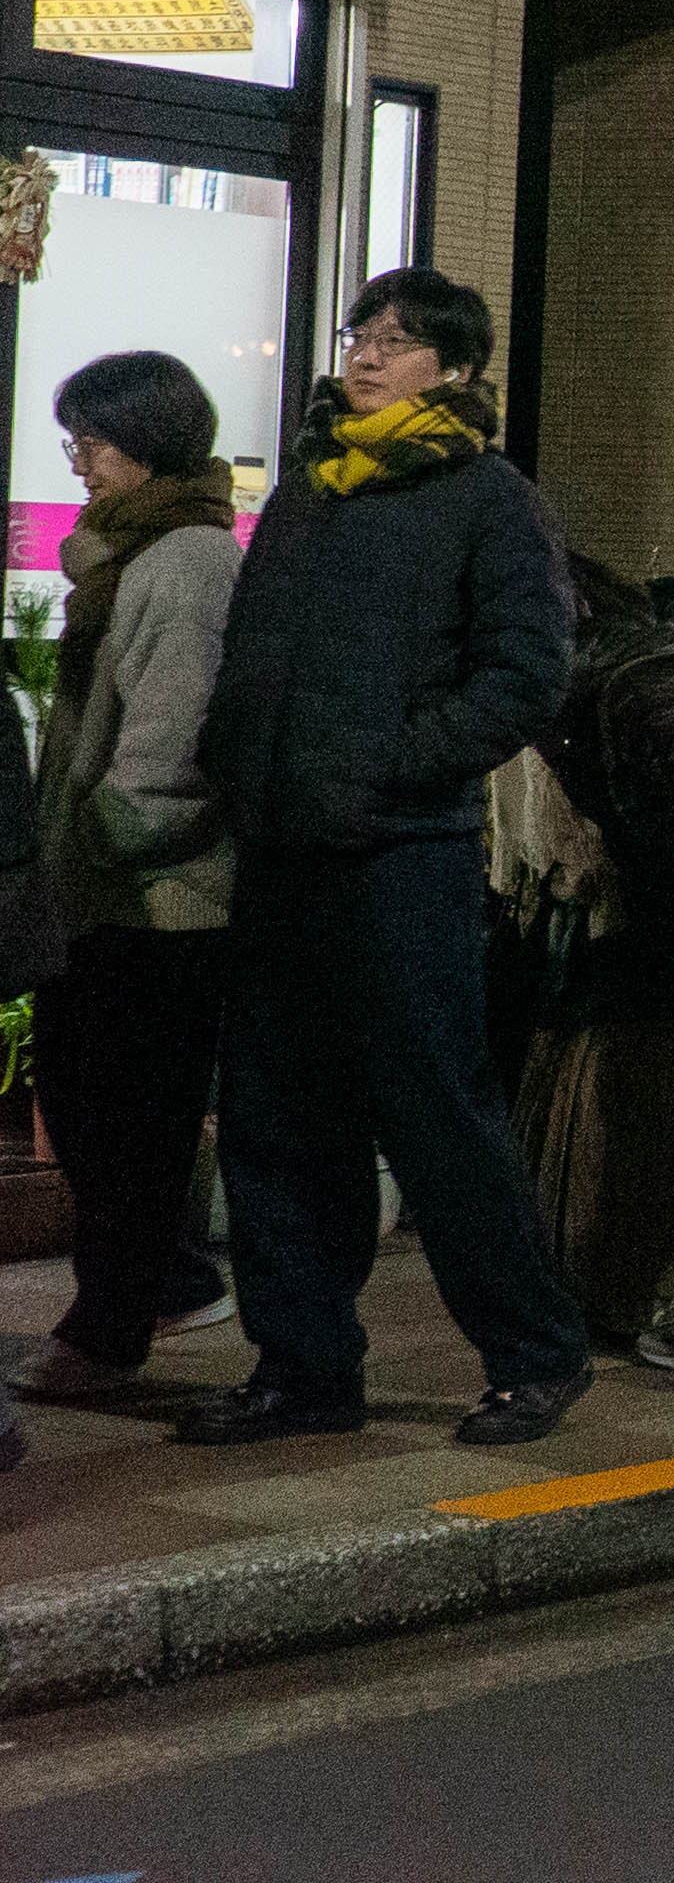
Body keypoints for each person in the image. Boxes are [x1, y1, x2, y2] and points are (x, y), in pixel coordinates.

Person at [188, 270, 593, 1449]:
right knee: (273, 1116)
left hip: (401, 851)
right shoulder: (313, 483)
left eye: (398, 341)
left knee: (435, 1113)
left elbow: (526, 674)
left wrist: (392, 767)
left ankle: (535, 1354)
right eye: (361, 333)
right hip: (282, 842)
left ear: (455, 371)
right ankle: (303, 1366)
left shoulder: (490, 498)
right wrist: (237, 760)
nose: (366, 355)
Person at [16, 352, 243, 1407]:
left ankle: (110, 1332)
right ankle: (166, 1286)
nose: (79, 461)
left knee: (126, 1126)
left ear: (147, 443)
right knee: (91, 1108)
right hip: (106, 893)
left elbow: (175, 742)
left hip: (162, 902)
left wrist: (101, 838)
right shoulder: (126, 555)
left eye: (94, 441)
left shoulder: (187, 562)